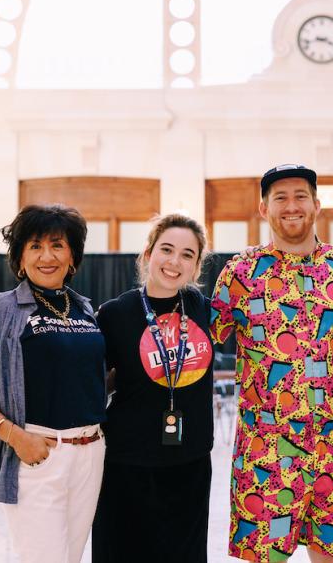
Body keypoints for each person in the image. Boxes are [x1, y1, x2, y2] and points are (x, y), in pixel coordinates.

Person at [210, 164, 333, 563]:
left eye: (301, 196)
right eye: (280, 198)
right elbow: (200, 340)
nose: (291, 206)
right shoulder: (239, 274)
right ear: (263, 209)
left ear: (317, 205)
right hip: (265, 452)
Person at [0, 204, 106, 563]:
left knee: (70, 557)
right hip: (37, 453)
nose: (47, 256)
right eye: (35, 246)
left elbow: (90, 381)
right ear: (20, 258)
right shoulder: (3, 309)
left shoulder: (86, 309)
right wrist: (16, 437)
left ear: (72, 256)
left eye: (57, 245)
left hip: (90, 453)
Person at [92, 213, 215, 562]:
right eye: (167, 249)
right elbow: (93, 383)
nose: (175, 261)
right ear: (148, 254)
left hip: (190, 463)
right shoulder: (114, 314)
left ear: (196, 266)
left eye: (187, 254)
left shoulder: (207, 312)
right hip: (127, 463)